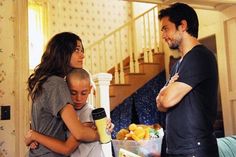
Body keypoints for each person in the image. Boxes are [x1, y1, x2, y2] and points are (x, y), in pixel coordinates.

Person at [156, 3, 219, 157]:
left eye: (166, 28)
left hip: (194, 149)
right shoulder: (177, 64)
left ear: (182, 26)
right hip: (179, 149)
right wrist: (164, 94)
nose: (163, 35)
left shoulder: (199, 57)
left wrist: (165, 92)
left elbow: (165, 100)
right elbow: (160, 104)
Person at [27, 32, 100, 157]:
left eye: (82, 50)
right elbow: (79, 133)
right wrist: (102, 134)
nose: (82, 55)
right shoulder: (56, 84)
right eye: (77, 50)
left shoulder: (46, 81)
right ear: (62, 52)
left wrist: (34, 136)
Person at [25, 68, 107, 157]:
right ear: (65, 91)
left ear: (90, 89)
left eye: (83, 93)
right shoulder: (65, 113)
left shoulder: (90, 115)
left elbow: (67, 148)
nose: (78, 98)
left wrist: (104, 130)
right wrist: (32, 138)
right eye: (73, 93)